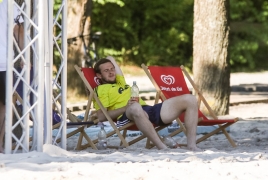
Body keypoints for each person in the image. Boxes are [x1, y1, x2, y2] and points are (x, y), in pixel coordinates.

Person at [93, 56, 200, 151]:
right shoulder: (101, 90)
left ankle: (191, 145)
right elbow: (102, 116)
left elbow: (110, 57)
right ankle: (162, 147)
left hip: (147, 110)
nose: (111, 72)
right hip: (127, 115)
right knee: (135, 107)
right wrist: (126, 107)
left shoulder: (120, 81)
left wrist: (105, 64)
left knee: (190, 99)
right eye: (106, 71)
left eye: (112, 69)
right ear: (99, 75)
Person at [0, 0, 24, 153]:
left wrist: (22, 55)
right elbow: (19, 31)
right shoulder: (9, 4)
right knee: (5, 105)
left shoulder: (9, 5)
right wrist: (23, 55)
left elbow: (18, 31)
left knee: (5, 105)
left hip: (3, 62)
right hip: (3, 62)